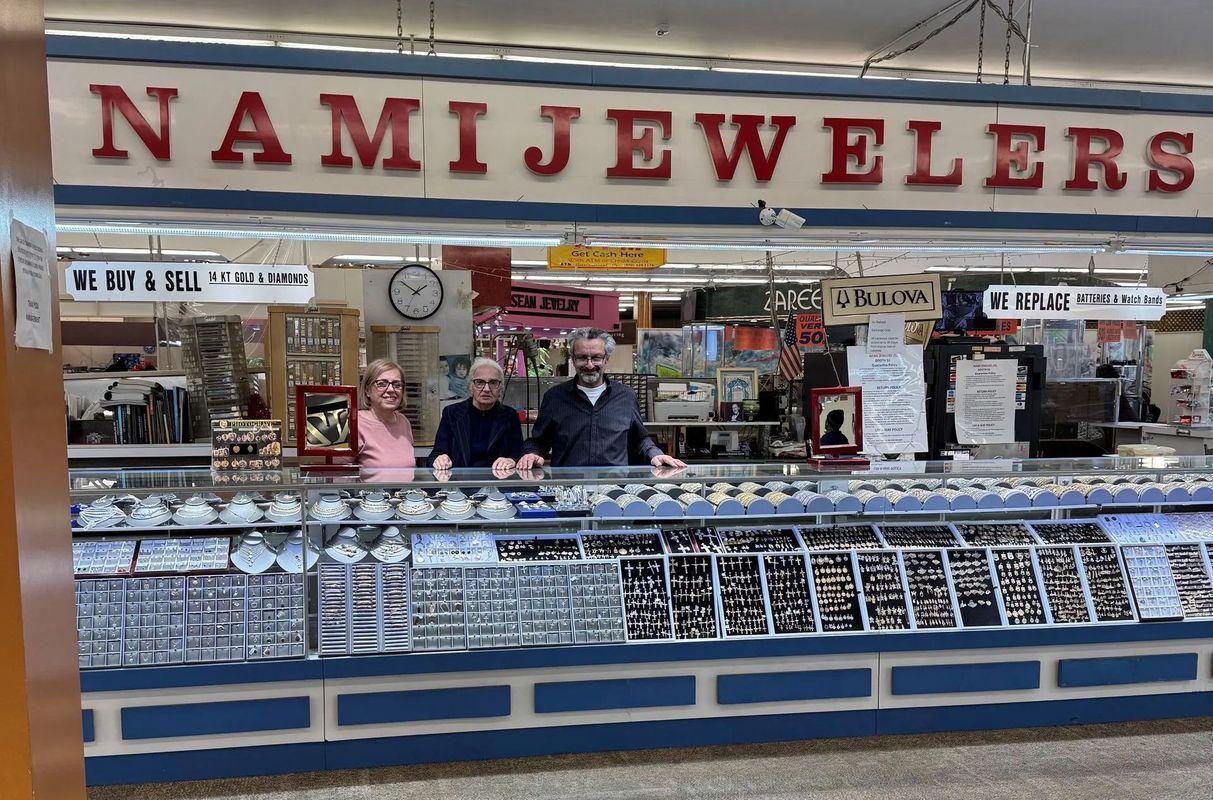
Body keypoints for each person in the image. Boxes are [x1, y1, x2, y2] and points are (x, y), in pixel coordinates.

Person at [517, 328, 686, 469]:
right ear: (573, 360)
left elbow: (640, 439)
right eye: (582, 357)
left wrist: (655, 454)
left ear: (606, 359)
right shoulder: (555, 397)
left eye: (596, 357)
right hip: (569, 492)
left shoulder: (626, 396)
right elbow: (538, 442)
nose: (589, 365)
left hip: (615, 493)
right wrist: (531, 454)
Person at [430, 357, 523, 470]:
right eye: (479, 382)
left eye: (493, 383)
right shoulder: (451, 413)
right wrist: (440, 459)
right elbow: (436, 454)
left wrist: (511, 460)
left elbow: (518, 455)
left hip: (497, 483)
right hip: (460, 484)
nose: (487, 389)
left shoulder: (510, 415)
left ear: (501, 388)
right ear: (470, 386)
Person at [351, 358, 416, 468]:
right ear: (367, 390)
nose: (391, 389)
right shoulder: (354, 424)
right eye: (381, 384)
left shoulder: (403, 422)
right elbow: (339, 476)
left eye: (397, 384)